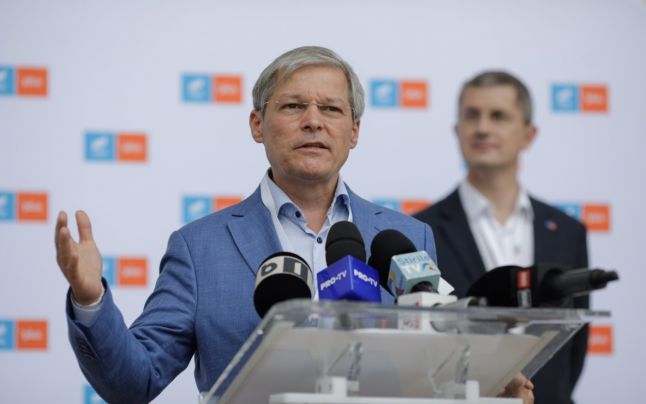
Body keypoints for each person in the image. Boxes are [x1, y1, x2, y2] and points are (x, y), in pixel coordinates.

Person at [54, 47, 532, 403]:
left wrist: (485, 385)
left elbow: (438, 369)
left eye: (331, 109)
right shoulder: (200, 248)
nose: (313, 122)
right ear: (257, 125)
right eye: (292, 106)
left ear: (354, 131)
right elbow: (133, 383)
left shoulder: (406, 237)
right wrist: (90, 299)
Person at [414, 71, 588, 404]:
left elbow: (573, 349)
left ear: (529, 134)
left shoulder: (568, 232)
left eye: (498, 116)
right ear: (457, 131)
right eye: (472, 115)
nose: (482, 128)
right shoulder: (420, 230)